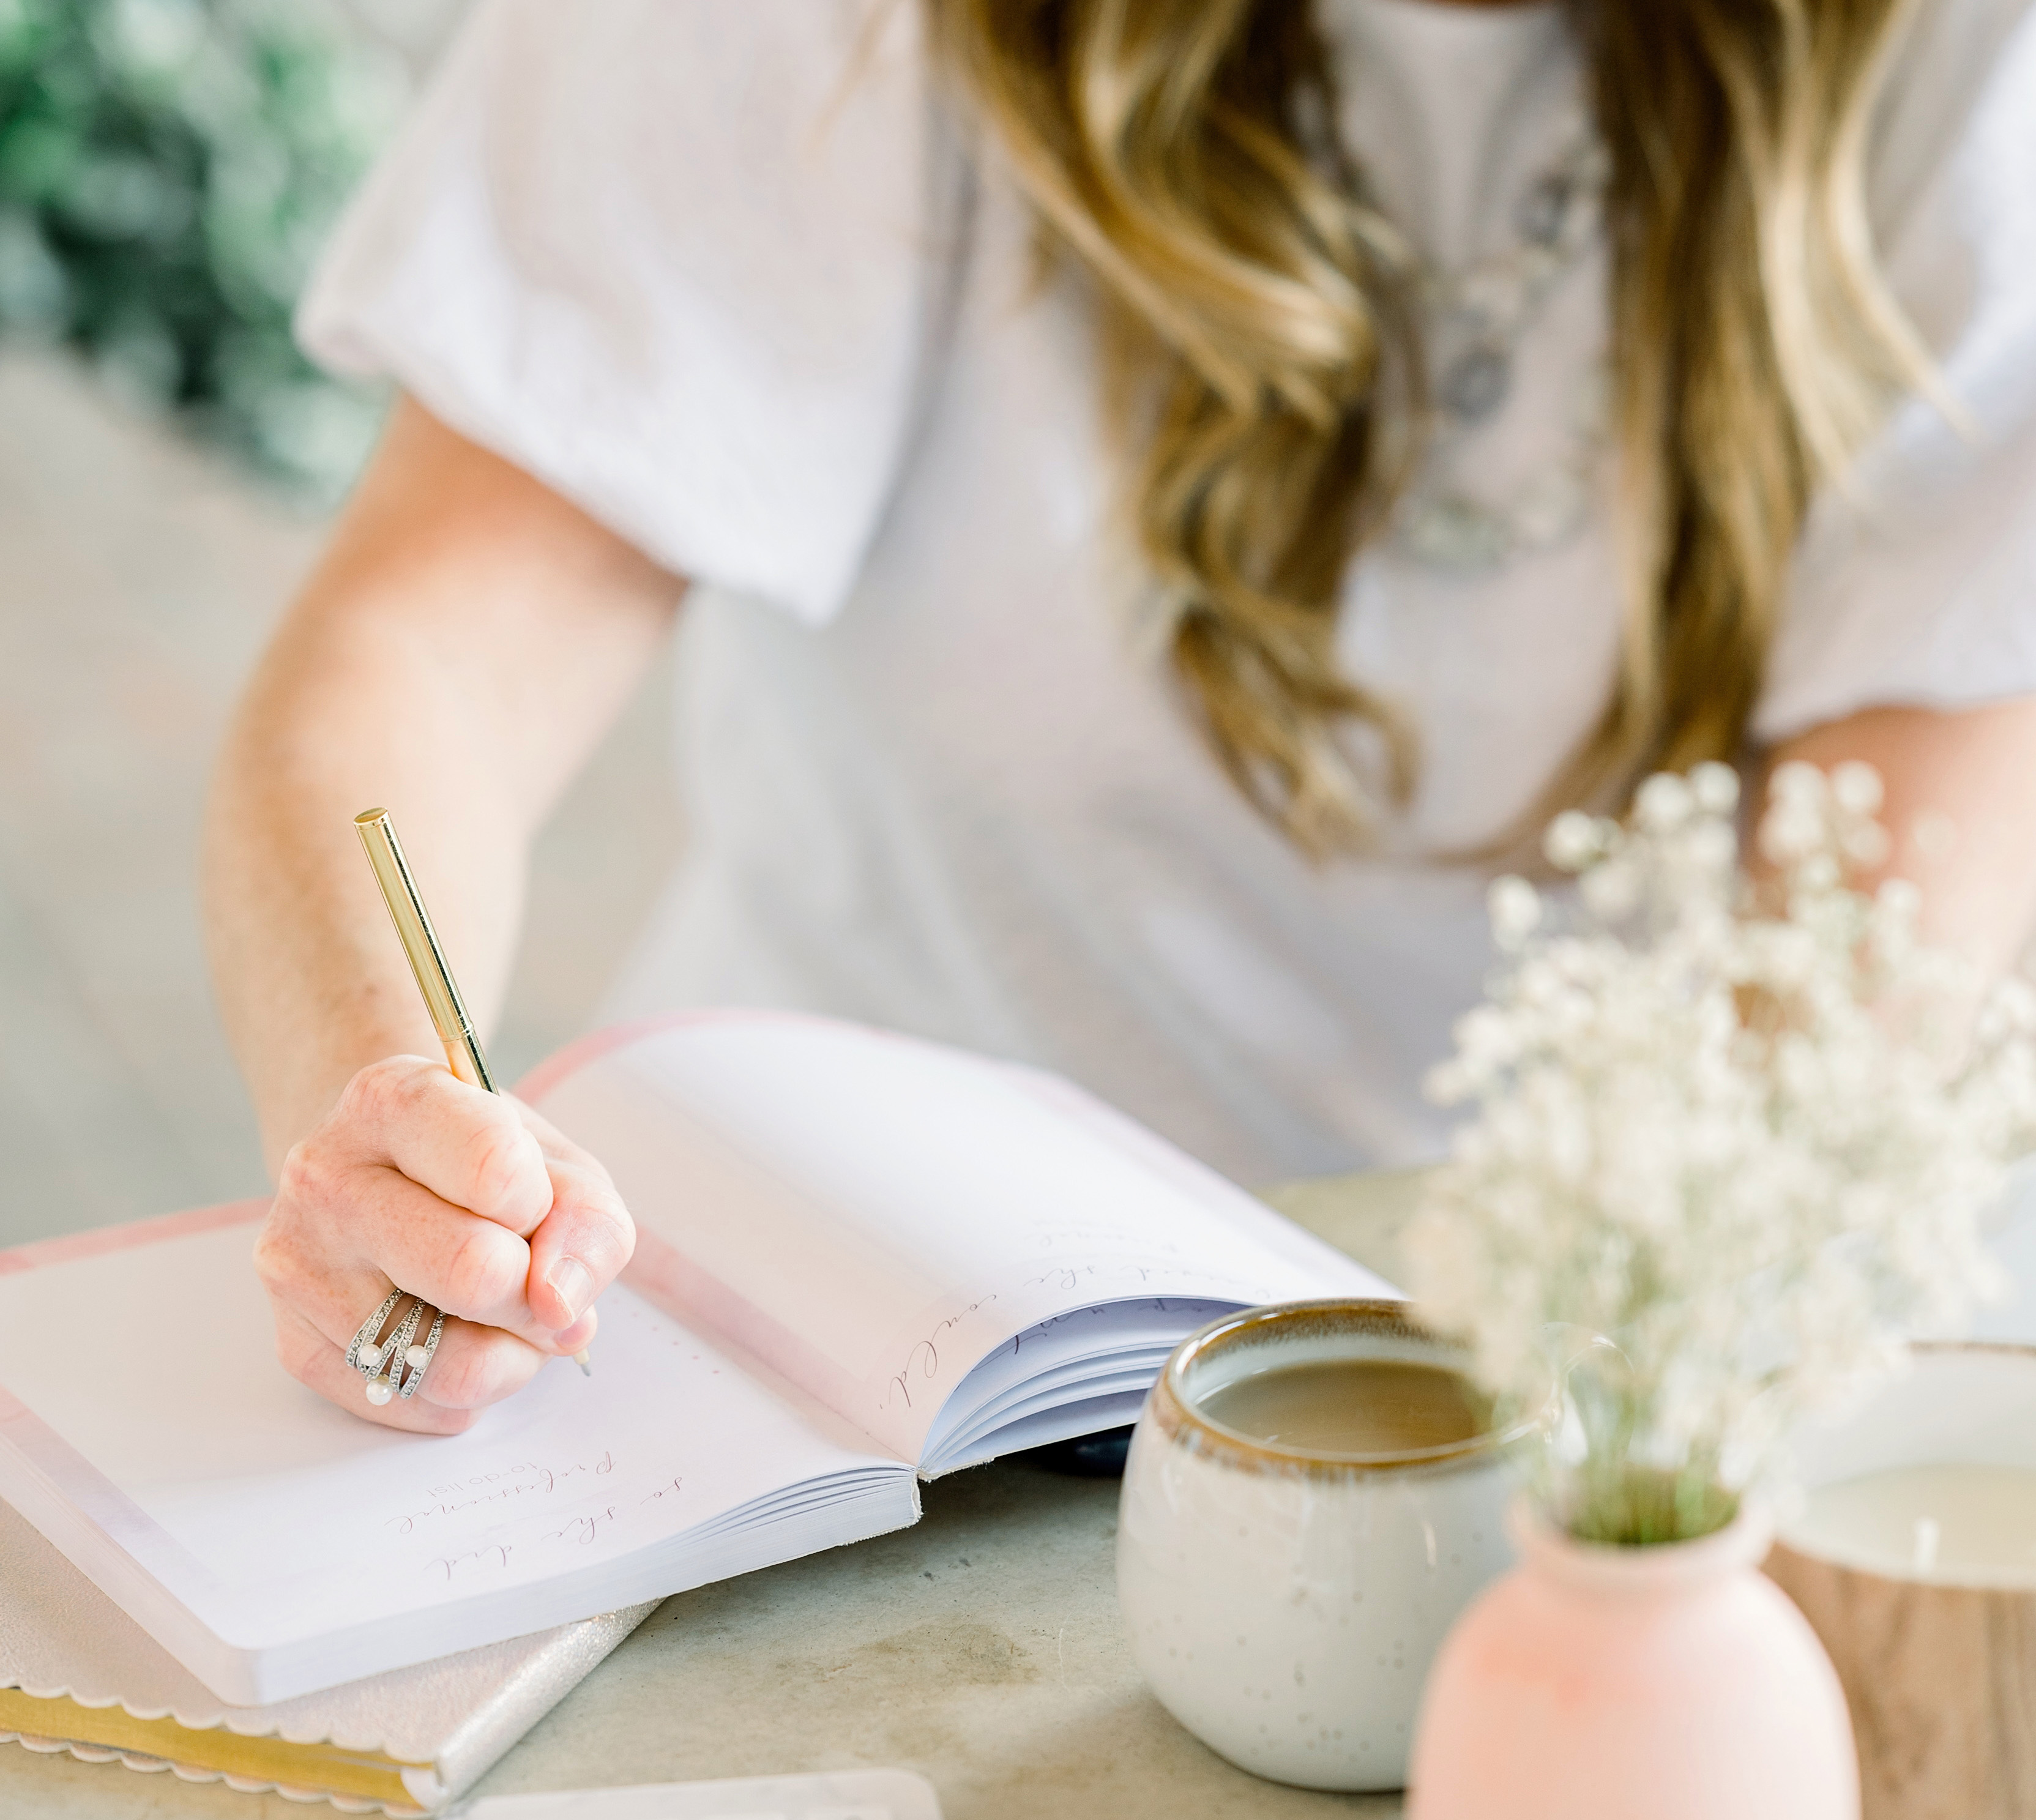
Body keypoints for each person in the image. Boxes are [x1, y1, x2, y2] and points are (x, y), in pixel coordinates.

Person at [203, 0, 2036, 1434]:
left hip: (1573, 1364)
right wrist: (392, 1131)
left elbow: (1846, 1000)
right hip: (840, 1315)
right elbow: (417, 662)